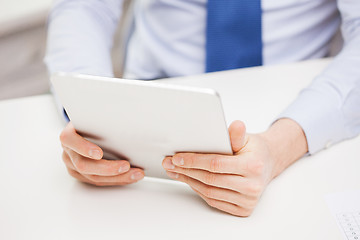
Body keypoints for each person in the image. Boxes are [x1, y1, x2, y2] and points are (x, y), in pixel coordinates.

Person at [45, 0, 360, 217]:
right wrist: (91, 116)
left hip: (297, 107)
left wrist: (280, 147)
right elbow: (84, 7)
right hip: (150, 96)